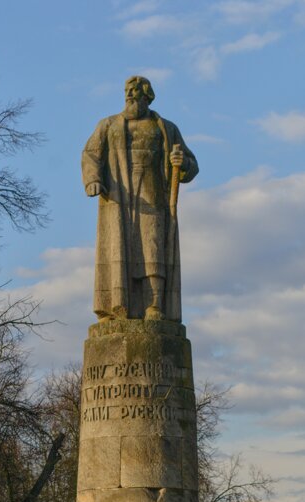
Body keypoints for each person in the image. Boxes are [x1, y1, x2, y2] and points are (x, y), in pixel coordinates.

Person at [82, 76, 199, 322]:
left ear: (147, 96)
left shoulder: (165, 128)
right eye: (127, 91)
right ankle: (115, 309)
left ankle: (154, 305)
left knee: (152, 246)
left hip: (153, 194)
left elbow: (191, 164)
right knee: (116, 249)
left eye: (135, 92)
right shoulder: (109, 125)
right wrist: (93, 179)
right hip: (117, 196)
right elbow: (91, 153)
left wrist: (183, 163)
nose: (130, 95)